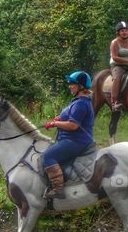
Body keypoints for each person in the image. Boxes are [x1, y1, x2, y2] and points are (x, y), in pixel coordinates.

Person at [41, 71, 96, 199]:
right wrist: (60, 118)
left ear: (81, 86)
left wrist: (54, 124)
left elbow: (73, 125)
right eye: (69, 83)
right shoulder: (78, 101)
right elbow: (72, 116)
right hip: (73, 139)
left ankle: (58, 190)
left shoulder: (81, 103)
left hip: (76, 141)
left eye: (73, 83)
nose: (70, 85)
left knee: (48, 156)